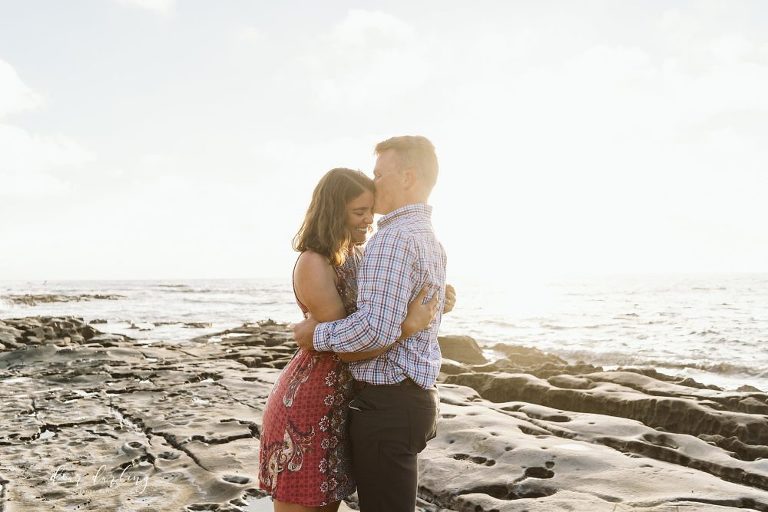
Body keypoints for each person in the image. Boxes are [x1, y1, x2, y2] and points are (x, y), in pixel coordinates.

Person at [258, 168, 448, 512]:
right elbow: (349, 349)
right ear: (333, 211)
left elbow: (382, 307)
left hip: (346, 401)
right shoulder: (314, 263)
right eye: (359, 213)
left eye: (370, 213)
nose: (368, 221)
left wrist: (435, 297)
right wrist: (408, 325)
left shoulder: (359, 255)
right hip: (312, 402)